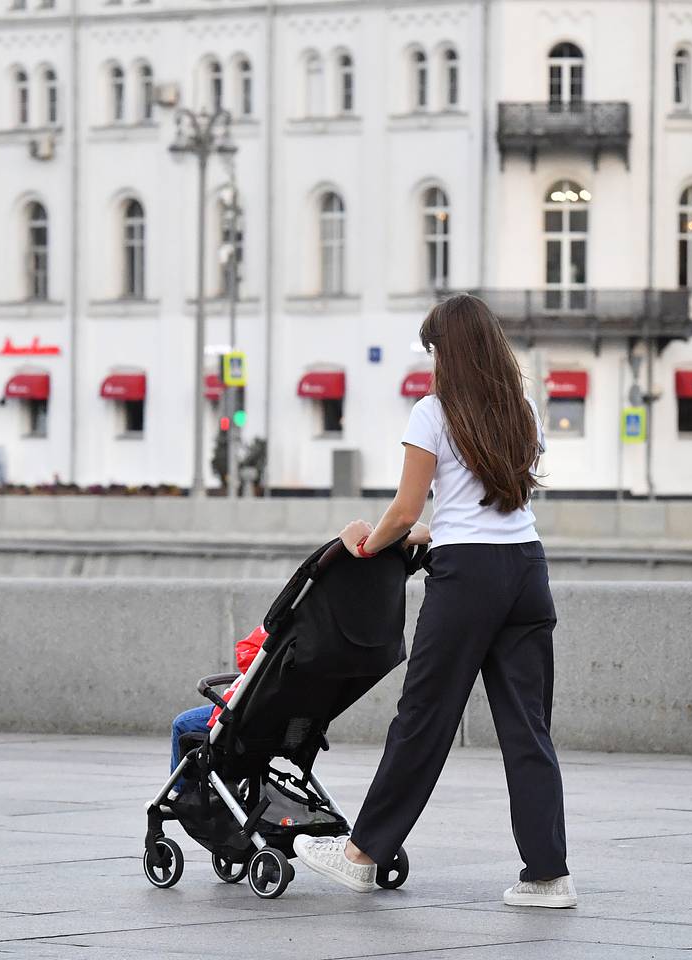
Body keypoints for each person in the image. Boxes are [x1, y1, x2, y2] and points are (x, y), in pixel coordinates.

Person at [293, 293, 575, 909]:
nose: (432, 363)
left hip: (467, 580)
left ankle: (362, 854)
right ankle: (548, 875)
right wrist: (432, 531)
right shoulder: (522, 409)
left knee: (424, 715)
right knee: (529, 727)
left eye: (435, 350)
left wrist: (368, 546)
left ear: (450, 353)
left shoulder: (433, 413)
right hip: (527, 569)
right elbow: (489, 503)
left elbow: (405, 508)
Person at [168, 625, 267, 799]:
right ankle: (227, 780)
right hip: (280, 728)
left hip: (242, 720)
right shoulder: (315, 650)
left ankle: (180, 792)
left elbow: (245, 654)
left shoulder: (280, 633)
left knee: (182, 723)